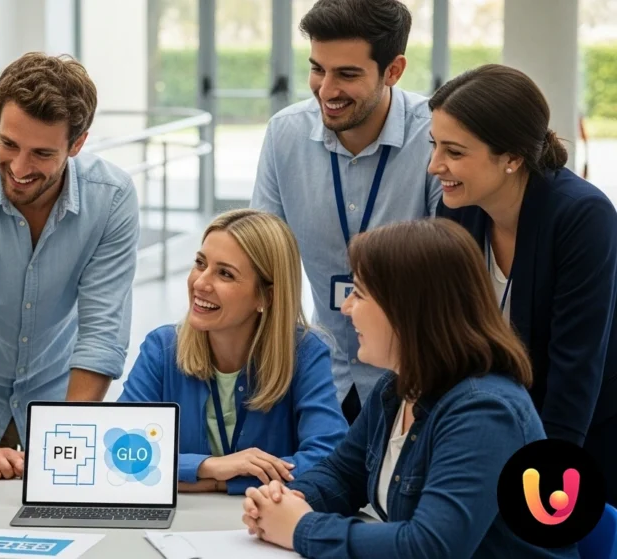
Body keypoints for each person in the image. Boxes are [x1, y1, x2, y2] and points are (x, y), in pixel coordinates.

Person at [239, 219, 578, 558]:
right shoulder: (397, 386)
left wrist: (301, 529)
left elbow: (429, 548)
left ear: (406, 309)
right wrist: (284, 501)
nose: (345, 308)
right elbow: (343, 475)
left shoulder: (485, 411)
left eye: (359, 293)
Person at [0, 52, 139, 479]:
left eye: (41, 153)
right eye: (8, 144)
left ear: (77, 144)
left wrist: (69, 437)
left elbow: (102, 331)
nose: (18, 168)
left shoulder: (111, 198)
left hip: (62, 395)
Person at [430, 64, 617, 506]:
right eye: (434, 145)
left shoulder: (582, 217)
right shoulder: (457, 210)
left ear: (512, 158)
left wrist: (543, 483)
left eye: (454, 152)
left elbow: (576, 371)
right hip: (502, 427)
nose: (435, 165)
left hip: (587, 431)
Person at [249, 0, 441, 424]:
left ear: (393, 71)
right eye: (318, 68)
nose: (326, 89)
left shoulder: (435, 135)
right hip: (324, 379)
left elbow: (447, 274)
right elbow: (261, 258)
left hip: (417, 378)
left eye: (347, 74)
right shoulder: (285, 133)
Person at [119, 209, 347, 495]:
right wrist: (209, 466)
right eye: (200, 264)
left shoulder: (305, 353)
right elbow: (121, 452)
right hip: (180, 524)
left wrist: (223, 482)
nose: (200, 283)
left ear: (267, 296)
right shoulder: (162, 349)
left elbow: (329, 460)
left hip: (261, 524)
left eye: (225, 274)